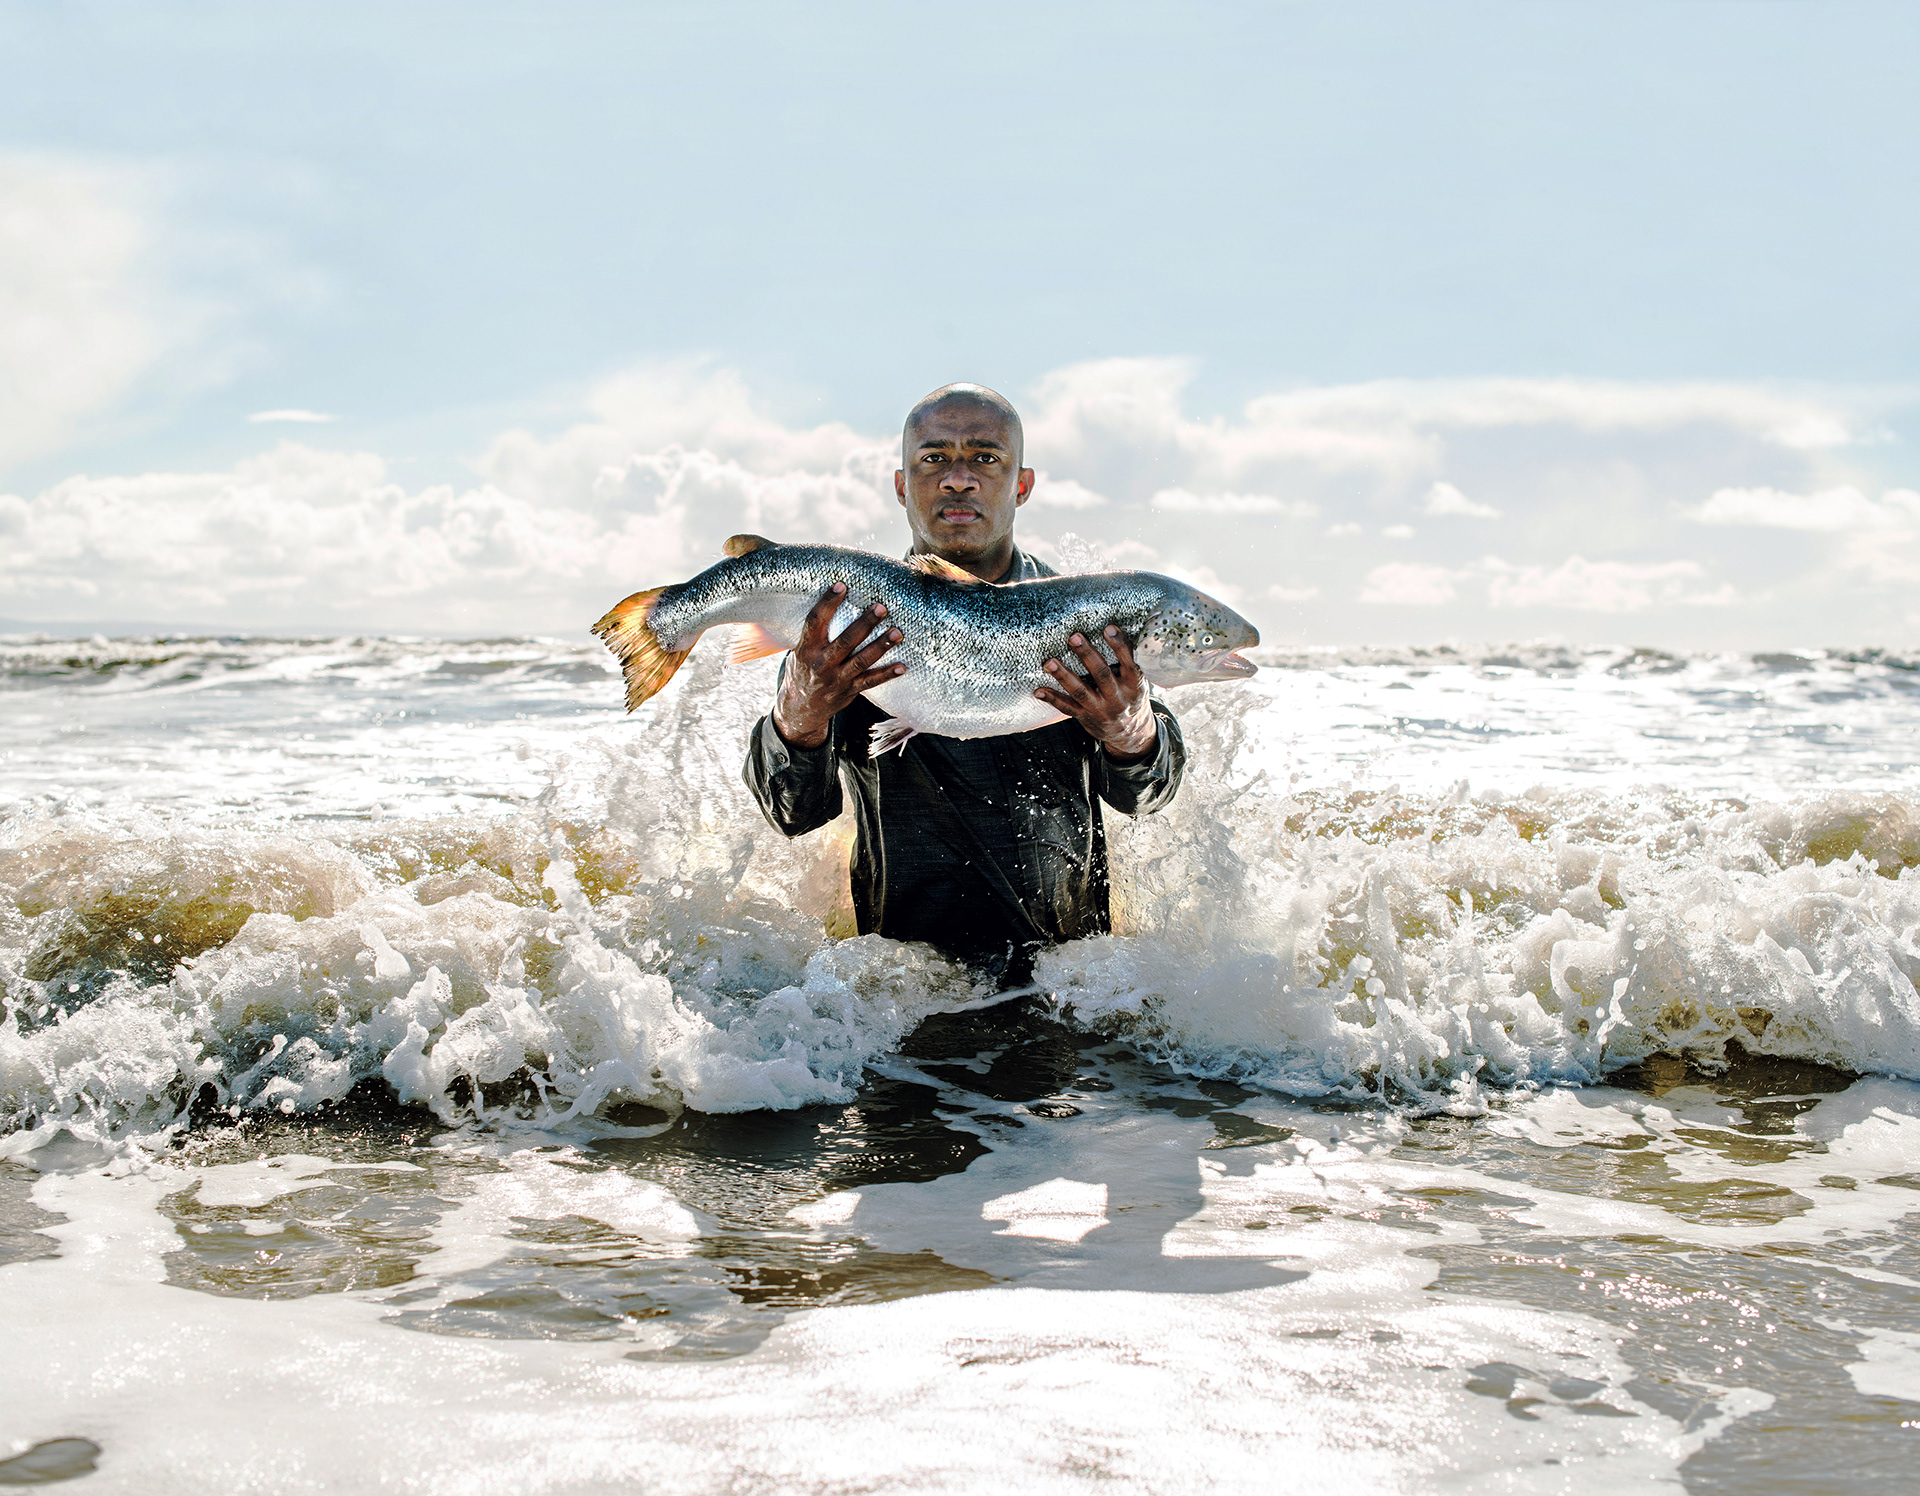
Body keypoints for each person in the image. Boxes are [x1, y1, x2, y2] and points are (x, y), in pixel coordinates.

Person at [742, 383, 1186, 984]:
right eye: (933, 459)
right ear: (902, 484)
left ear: (1021, 485)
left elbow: (1148, 797)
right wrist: (797, 719)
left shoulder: (1086, 624)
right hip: (899, 996)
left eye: (984, 457)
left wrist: (1131, 733)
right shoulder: (843, 631)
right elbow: (793, 814)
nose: (958, 479)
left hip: (1071, 992)